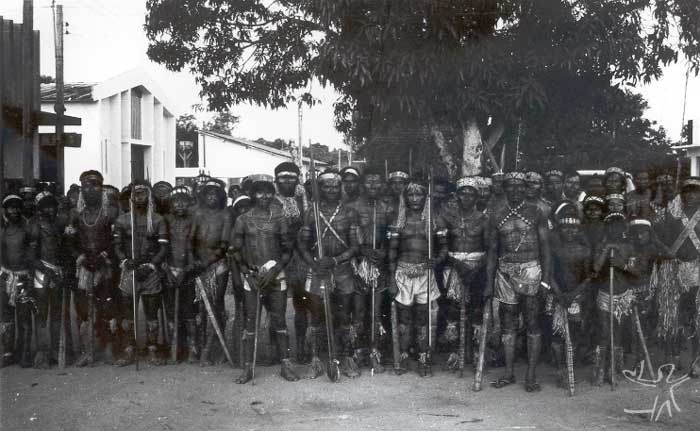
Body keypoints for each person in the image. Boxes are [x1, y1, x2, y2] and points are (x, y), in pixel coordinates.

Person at [485, 172, 553, 392]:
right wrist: (488, 283)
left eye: (519, 187)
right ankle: (508, 372)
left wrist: (546, 281)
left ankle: (531, 375)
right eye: (510, 187)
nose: (515, 190)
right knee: (508, 322)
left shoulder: (537, 212)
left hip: (531, 270)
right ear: (504, 189)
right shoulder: (496, 214)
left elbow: (546, 249)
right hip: (505, 272)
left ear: (525, 188)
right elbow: (493, 251)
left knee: (533, 321)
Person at [232, 177, 299, 383]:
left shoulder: (280, 218)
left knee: (279, 320)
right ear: (253, 195)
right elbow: (235, 251)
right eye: (259, 192)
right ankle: (247, 368)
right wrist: (246, 273)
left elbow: (288, 250)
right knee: (251, 323)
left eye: (268, 192)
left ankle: (286, 365)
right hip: (251, 276)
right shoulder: (243, 219)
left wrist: (275, 269)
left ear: (273, 194)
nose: (264, 196)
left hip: (276, 275)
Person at [299, 169, 362, 379]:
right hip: (318, 270)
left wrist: (335, 260)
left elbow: (355, 247)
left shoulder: (350, 212)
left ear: (340, 187)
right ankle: (316, 360)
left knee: (344, 315)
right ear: (319, 189)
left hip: (342, 270)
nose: (331, 190)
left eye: (335, 186)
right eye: (326, 186)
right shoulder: (311, 213)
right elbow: (302, 246)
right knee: (316, 317)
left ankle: (346, 358)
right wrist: (315, 264)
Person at [387, 178, 448, 377]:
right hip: (403, 273)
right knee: (404, 319)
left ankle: (423, 357)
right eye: (410, 195)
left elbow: (445, 247)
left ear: (425, 197)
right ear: (405, 198)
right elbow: (392, 251)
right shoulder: (398, 220)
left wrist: (437, 260)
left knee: (423, 318)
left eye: (418, 194)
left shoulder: (434, 220)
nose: (414, 199)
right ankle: (403, 355)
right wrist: (391, 278)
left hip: (425, 273)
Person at [65, 170, 119, 367]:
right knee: (83, 311)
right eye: (86, 186)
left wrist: (103, 256)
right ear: (81, 190)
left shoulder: (111, 213)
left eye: (95, 185)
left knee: (106, 307)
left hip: (104, 267)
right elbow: (69, 241)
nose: (90, 189)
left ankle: (108, 348)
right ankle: (87, 351)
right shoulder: (75, 213)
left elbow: (116, 241)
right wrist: (82, 257)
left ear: (101, 188)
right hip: (84, 268)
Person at [113, 180, 169, 366]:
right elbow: (117, 246)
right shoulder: (122, 220)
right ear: (130, 197)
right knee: (129, 314)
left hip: (151, 270)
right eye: (136, 194)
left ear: (150, 196)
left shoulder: (158, 219)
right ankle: (130, 348)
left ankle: (152, 348)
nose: (140, 197)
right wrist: (126, 261)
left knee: (152, 313)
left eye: (143, 193)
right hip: (129, 270)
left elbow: (163, 248)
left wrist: (150, 265)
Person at [439, 177, 488, 371]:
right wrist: (456, 264)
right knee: (452, 309)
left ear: (477, 196)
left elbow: (490, 248)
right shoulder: (447, 217)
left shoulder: (484, 219)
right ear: (457, 195)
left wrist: (476, 267)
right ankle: (454, 353)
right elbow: (442, 246)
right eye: (463, 193)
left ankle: (476, 353)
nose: (466, 196)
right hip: (453, 265)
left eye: (471, 193)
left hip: (477, 266)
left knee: (476, 310)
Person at [655, 178, 700, 376]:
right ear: (681, 194)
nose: (691, 195)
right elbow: (655, 238)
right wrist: (667, 253)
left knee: (697, 317)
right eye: (687, 191)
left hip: (698, 269)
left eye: (696, 191)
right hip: (672, 269)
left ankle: (697, 360)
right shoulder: (669, 214)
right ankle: (671, 358)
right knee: (670, 316)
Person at [590, 212, 637, 386]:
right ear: (606, 228)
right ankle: (600, 369)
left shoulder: (629, 246)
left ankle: (614, 369)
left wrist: (621, 265)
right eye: (611, 226)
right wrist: (605, 251)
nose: (615, 230)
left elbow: (635, 272)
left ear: (624, 228)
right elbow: (594, 269)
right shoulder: (601, 245)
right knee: (604, 332)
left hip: (623, 294)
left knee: (617, 332)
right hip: (605, 294)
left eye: (619, 226)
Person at [354, 167, 393, 372]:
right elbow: (350, 236)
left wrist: (384, 252)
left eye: (377, 182)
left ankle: (375, 350)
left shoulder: (388, 208)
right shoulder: (354, 207)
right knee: (359, 311)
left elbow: (393, 236)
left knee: (377, 311)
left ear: (382, 185)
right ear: (363, 184)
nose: (373, 186)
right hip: (360, 264)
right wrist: (362, 250)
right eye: (369, 182)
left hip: (379, 266)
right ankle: (359, 351)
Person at [192, 178, 232, 365]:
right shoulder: (197, 214)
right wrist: (195, 262)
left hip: (217, 266)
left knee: (216, 305)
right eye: (208, 194)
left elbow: (224, 244)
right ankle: (201, 347)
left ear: (221, 196)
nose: (211, 197)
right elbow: (190, 240)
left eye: (215, 194)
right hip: (198, 266)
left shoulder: (225, 215)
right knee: (200, 308)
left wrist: (208, 261)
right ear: (203, 195)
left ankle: (213, 347)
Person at [272, 163, 309, 363]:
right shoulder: (270, 201)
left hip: (300, 258)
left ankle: (301, 347)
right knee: (275, 306)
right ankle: (277, 351)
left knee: (301, 304)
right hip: (275, 257)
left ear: (297, 180)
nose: (287, 181)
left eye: (291, 177)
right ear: (276, 179)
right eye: (283, 177)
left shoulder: (305, 200)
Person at [549, 216, 591, 387]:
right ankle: (560, 371)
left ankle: (569, 367)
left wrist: (574, 294)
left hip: (576, 297)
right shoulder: (555, 250)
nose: (570, 231)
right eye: (565, 228)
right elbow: (549, 274)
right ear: (559, 230)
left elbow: (588, 277)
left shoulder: (584, 250)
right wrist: (559, 294)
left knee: (574, 332)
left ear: (579, 230)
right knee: (557, 335)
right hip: (558, 297)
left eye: (573, 228)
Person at [28, 192, 66, 368]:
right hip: (41, 273)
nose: (50, 209)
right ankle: (42, 353)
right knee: (42, 313)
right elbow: (31, 256)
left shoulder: (58, 224)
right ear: (40, 209)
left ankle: (56, 352)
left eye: (52, 206)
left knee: (57, 313)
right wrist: (46, 270)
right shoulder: (35, 226)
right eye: (46, 206)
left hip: (56, 272)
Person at [164, 186, 198, 363]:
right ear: (171, 204)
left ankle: (192, 348)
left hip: (187, 272)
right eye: (176, 201)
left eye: (184, 201)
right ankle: (174, 348)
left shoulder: (193, 221)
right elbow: (162, 248)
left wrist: (188, 269)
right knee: (171, 310)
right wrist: (167, 269)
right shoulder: (165, 220)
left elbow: (193, 248)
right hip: (169, 270)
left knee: (189, 311)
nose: (180, 205)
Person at [0, 195, 32, 367]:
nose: (14, 210)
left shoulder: (27, 229)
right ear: (5, 210)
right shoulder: (2, 231)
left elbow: (33, 255)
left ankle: (25, 353)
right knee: (6, 317)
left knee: (24, 316)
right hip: (6, 277)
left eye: (17, 207)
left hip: (23, 277)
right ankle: (7, 352)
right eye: (11, 207)